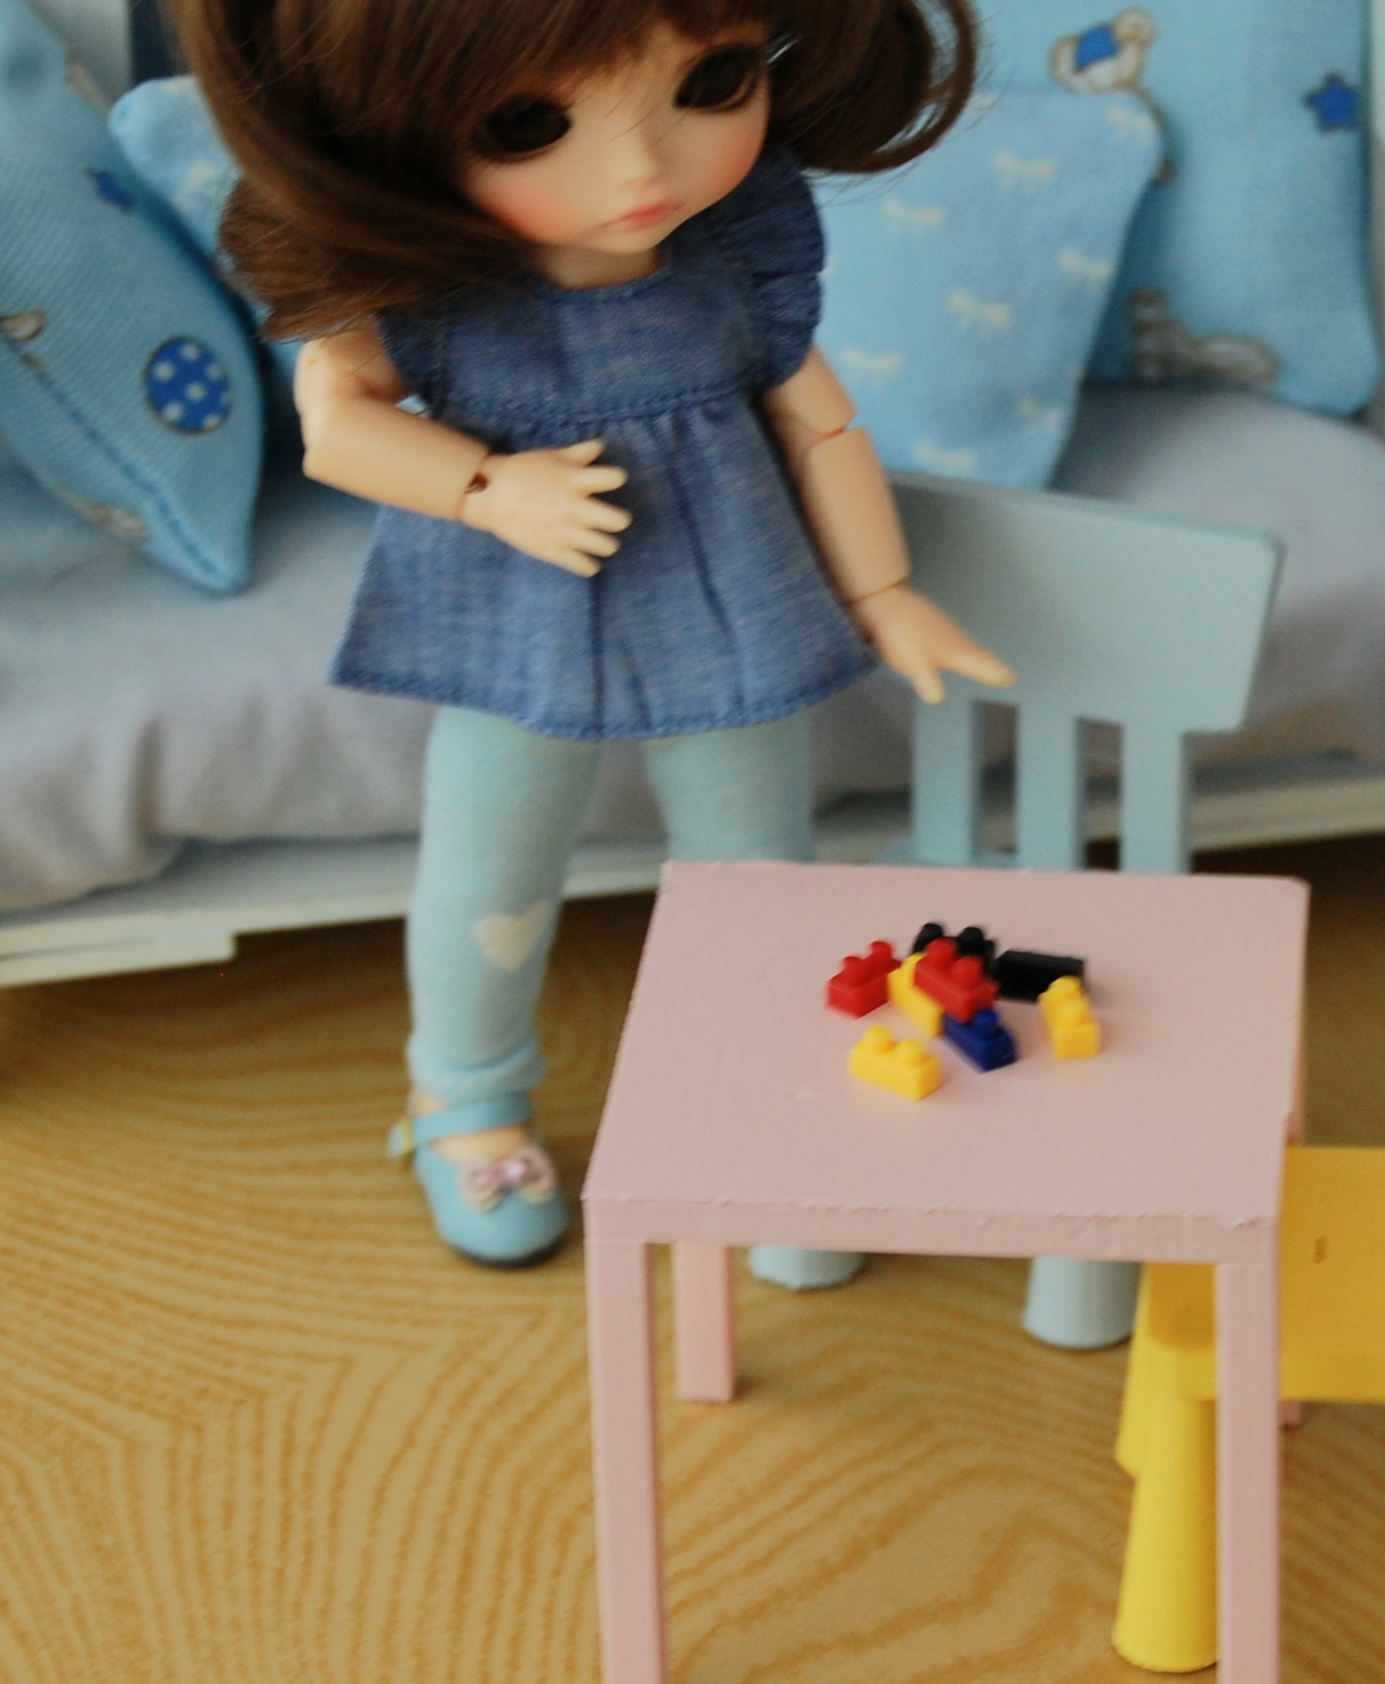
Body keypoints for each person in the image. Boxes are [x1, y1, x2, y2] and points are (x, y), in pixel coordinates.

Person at [176, 0, 1009, 1268]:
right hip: (517, 610)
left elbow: (821, 426)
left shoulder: (735, 253)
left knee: (760, 872)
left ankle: (771, 1110)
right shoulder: (426, 284)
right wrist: (485, 487)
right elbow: (337, 426)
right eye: (528, 123)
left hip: (730, 602)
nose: (640, 171)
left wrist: (883, 592)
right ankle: (464, 1099)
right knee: (490, 873)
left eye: (711, 81)